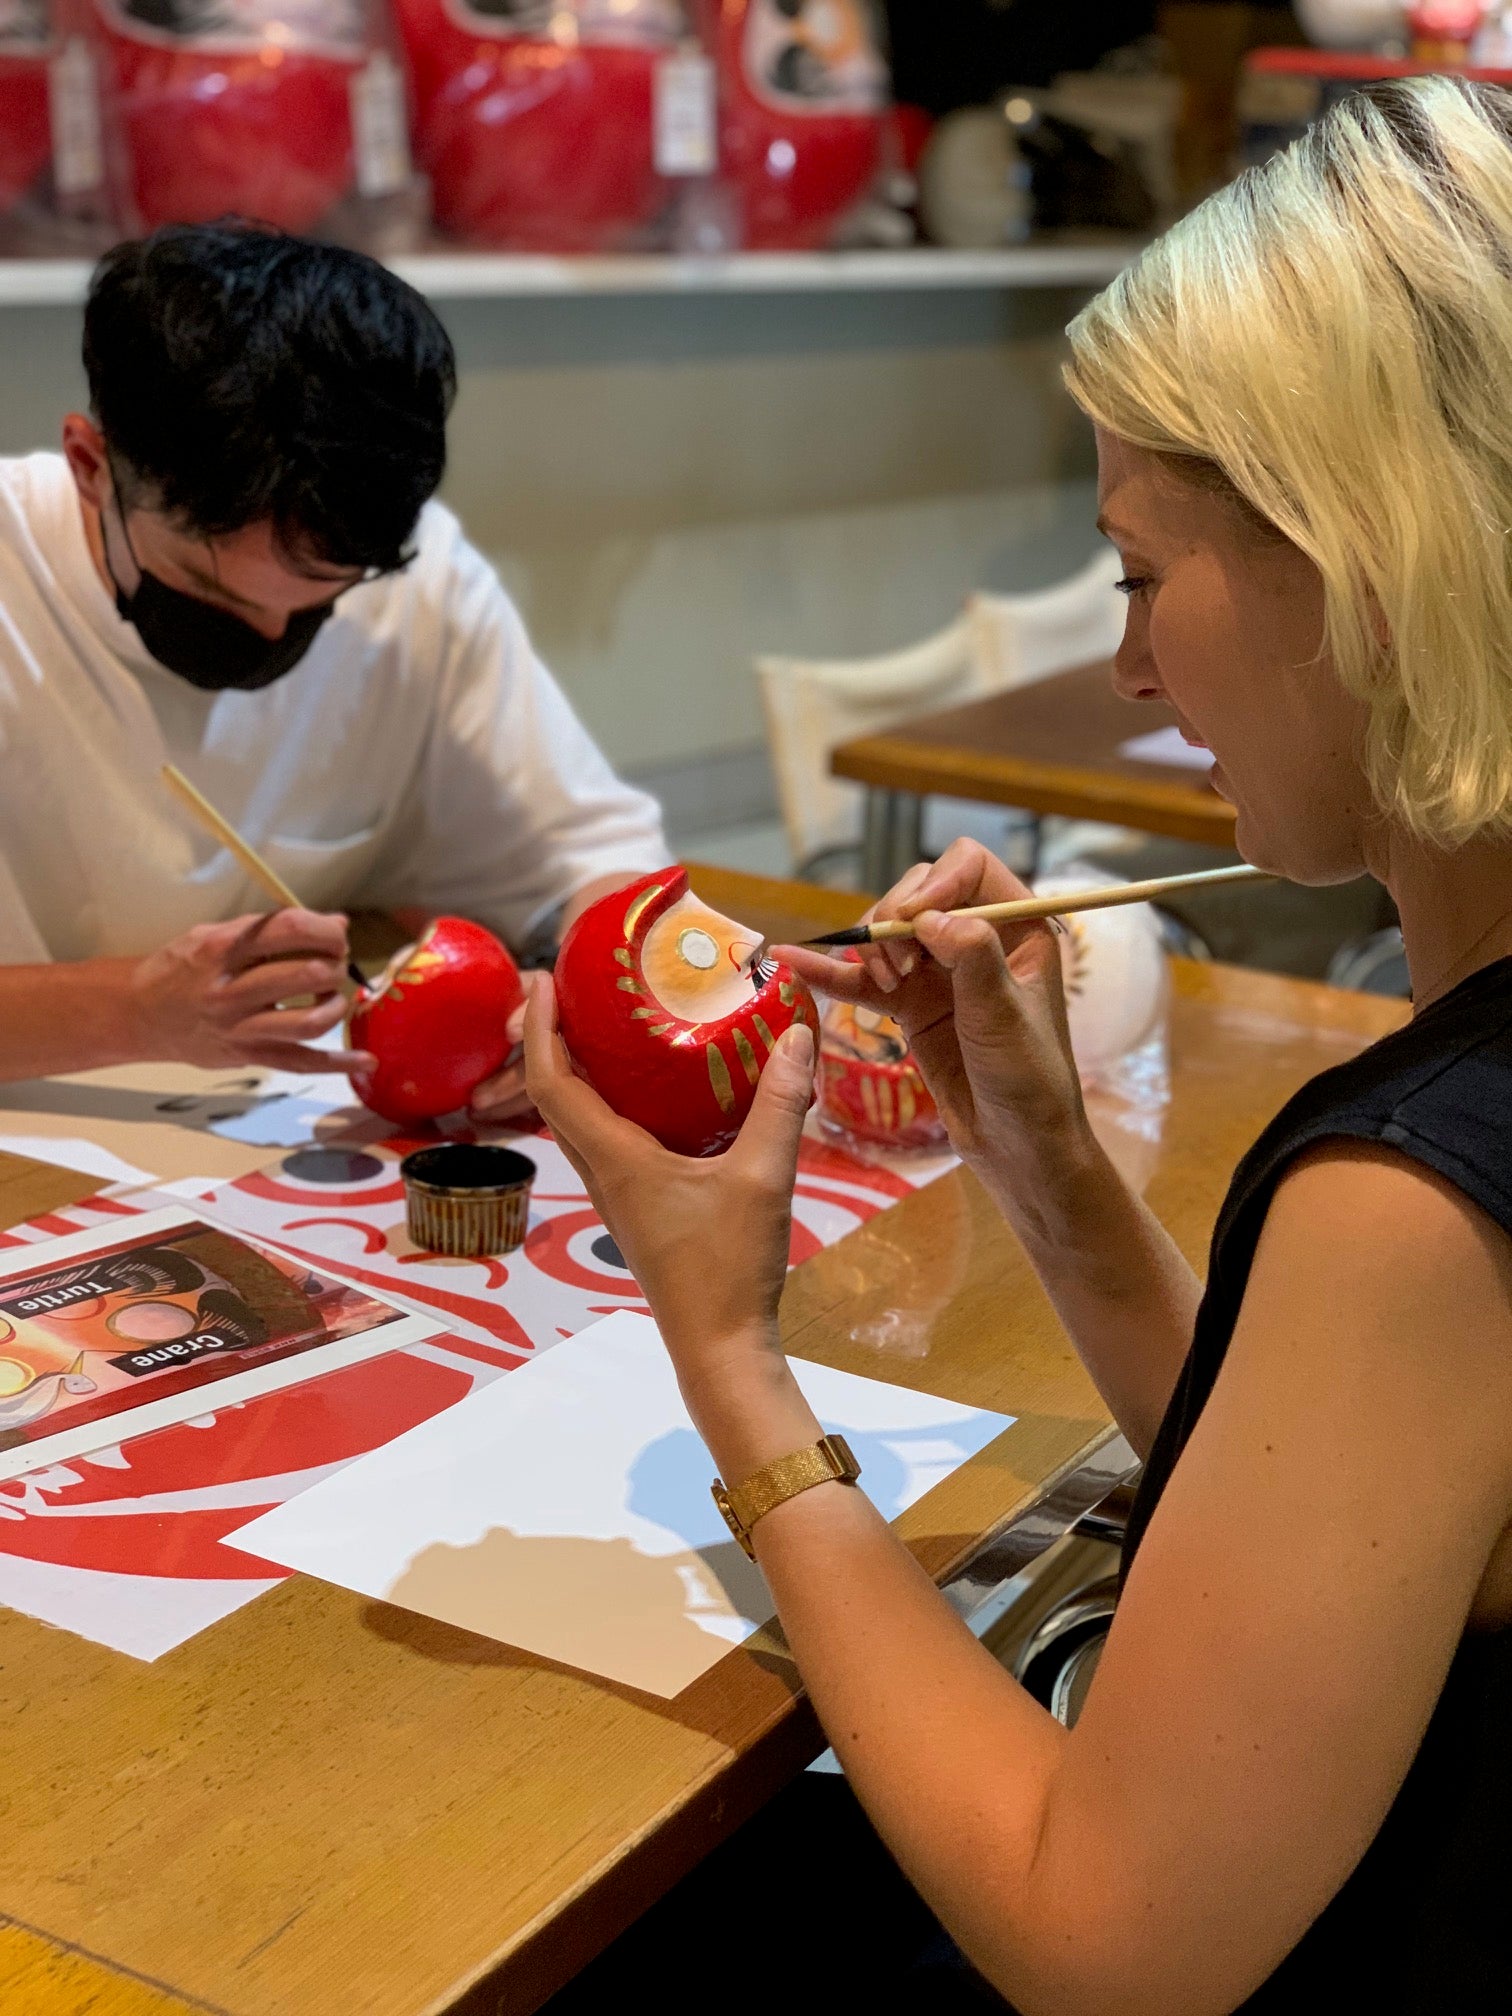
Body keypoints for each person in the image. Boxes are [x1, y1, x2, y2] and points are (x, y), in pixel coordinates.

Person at [526, 75, 1512, 2014]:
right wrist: (1043, 1160)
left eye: (1144, 573)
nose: (1135, 670)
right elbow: (1329, 1536)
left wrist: (728, 1358)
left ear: (1371, 567)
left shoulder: (1418, 1198)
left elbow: (1108, 1949)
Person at [0, 222, 667, 1117]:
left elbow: (595, 862)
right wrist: (133, 1012)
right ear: (90, 464)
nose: (272, 630)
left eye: (319, 597)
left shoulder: (413, 573)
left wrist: (581, 1019)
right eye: (208, 585)